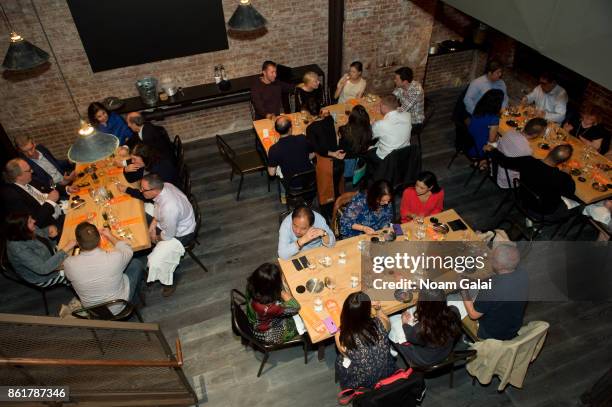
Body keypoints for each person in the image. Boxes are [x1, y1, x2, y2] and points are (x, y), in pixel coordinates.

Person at [64, 222, 144, 314]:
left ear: (78, 243)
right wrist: (110, 236)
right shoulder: (114, 258)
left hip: (93, 310)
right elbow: (128, 250)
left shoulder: (68, 264)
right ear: (99, 240)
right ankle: (136, 301)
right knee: (135, 263)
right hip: (118, 306)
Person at [141, 174, 196, 296]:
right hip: (175, 222)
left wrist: (156, 239)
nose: (141, 191)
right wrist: (153, 223)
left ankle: (169, 283)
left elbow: (169, 235)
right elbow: (157, 205)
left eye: (144, 189)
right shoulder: (165, 185)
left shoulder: (169, 207)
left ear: (154, 190)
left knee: (154, 261)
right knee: (142, 210)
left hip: (182, 234)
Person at [462, 244, 528, 340]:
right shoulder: (523, 274)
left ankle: (466, 339)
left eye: (492, 257)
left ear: (498, 265)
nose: (489, 257)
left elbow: (473, 315)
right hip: (512, 325)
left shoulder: (492, 288)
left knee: (452, 300)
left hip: (493, 334)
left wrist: (463, 290)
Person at [335, 291, 396, 390]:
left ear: (345, 311)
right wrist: (378, 308)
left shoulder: (341, 336)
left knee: (339, 360)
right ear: (367, 310)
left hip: (364, 381)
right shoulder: (380, 323)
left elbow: (346, 356)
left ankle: (348, 390)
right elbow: (388, 324)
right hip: (387, 372)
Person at [6, 213, 76, 286]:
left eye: (31, 219)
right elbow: (43, 269)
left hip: (50, 257)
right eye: (30, 221)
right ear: (22, 227)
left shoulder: (27, 230)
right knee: (78, 273)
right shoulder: (18, 249)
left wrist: (49, 229)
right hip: (44, 276)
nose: (34, 221)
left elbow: (41, 234)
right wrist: (65, 250)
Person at [396, 289, 461, 366]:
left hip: (426, 359)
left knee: (395, 331)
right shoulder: (454, 312)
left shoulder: (421, 329)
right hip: (445, 352)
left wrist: (404, 323)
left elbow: (410, 337)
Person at [304, 97, 345, 215]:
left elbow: (318, 149)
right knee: (337, 188)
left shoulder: (310, 129)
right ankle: (340, 206)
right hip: (339, 161)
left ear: (307, 113)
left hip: (328, 165)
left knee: (327, 192)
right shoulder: (329, 119)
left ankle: (329, 213)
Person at [246, 263, 301, 344]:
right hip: (267, 334)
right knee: (303, 323)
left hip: (255, 321)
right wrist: (280, 290)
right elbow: (296, 307)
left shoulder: (252, 287)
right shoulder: (272, 307)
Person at [519, 144, 576, 221]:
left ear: (550, 149)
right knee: (577, 207)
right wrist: (567, 174)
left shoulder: (529, 161)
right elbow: (570, 192)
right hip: (542, 212)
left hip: (523, 199)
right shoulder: (561, 177)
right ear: (564, 162)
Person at [1, 159, 62, 228]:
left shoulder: (29, 179)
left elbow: (50, 188)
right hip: (52, 224)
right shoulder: (13, 196)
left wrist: (67, 188)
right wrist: (50, 201)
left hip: (61, 207)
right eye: (28, 170)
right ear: (19, 176)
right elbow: (36, 222)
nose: (32, 171)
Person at [495, 117, 545, 188]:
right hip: (508, 180)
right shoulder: (527, 151)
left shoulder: (509, 132)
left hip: (495, 169)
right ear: (535, 135)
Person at [267, 116, 314, 185]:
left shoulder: (274, 149)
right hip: (311, 179)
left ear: (276, 131)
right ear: (290, 129)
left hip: (292, 183)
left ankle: (283, 194)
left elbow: (271, 173)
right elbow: (313, 154)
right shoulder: (302, 138)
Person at [367, 94, 411, 164]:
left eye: (380, 105)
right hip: (404, 154)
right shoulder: (407, 115)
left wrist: (370, 124)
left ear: (384, 107)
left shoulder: (381, 124)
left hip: (386, 159)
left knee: (367, 148)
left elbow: (368, 136)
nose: (379, 107)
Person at [467, 89, 504, 160]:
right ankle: (485, 163)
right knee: (504, 143)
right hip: (478, 149)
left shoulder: (478, 109)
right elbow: (491, 141)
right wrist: (498, 137)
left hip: (468, 143)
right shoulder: (494, 119)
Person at [338, 105, 373, 178]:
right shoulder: (368, 129)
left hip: (348, 159)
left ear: (351, 118)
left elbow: (340, 147)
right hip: (361, 156)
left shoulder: (343, 130)